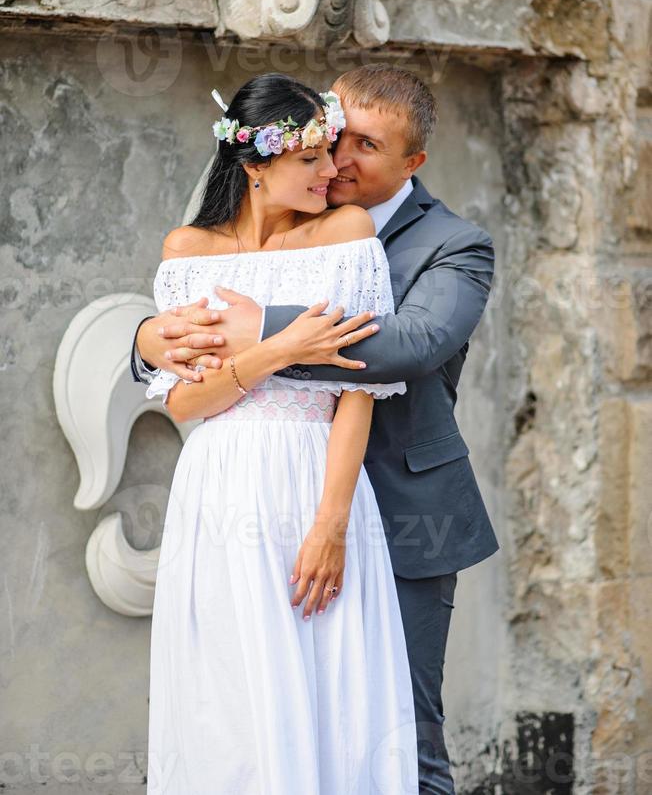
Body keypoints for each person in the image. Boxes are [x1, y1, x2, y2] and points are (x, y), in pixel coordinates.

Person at [133, 64, 500, 795]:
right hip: (233, 499)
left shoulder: (452, 243)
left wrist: (259, 329)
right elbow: (177, 375)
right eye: (331, 138)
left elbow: (411, 346)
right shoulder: (210, 239)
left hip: (392, 511)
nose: (339, 160)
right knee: (240, 713)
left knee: (397, 736)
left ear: (411, 163)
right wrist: (148, 337)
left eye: (363, 145)